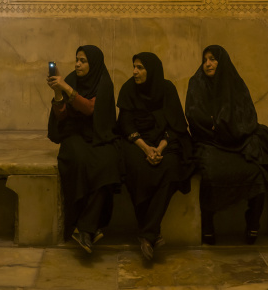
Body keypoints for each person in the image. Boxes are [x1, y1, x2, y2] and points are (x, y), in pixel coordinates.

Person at [185, 45, 268, 245]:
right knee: (211, 172)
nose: (208, 64)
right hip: (209, 142)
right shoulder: (196, 83)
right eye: (205, 59)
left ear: (222, 61)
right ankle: (208, 224)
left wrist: (223, 125)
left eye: (213, 59)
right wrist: (217, 126)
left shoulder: (234, 83)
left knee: (257, 169)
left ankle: (252, 222)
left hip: (237, 141)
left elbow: (247, 115)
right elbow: (195, 117)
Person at [117, 52, 194, 261]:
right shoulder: (128, 89)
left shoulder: (166, 88)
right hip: (137, 142)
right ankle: (152, 233)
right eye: (134, 66)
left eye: (140, 67)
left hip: (164, 142)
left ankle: (147, 234)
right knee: (137, 168)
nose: (135, 71)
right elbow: (125, 124)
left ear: (151, 70)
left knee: (170, 168)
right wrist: (145, 148)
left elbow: (176, 124)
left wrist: (159, 148)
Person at [47, 45, 121, 254]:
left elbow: (90, 108)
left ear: (94, 63)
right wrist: (58, 93)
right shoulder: (70, 79)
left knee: (108, 165)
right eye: (77, 60)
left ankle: (85, 228)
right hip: (75, 133)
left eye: (83, 61)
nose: (77, 64)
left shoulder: (104, 82)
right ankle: (85, 228)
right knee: (77, 161)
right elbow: (61, 116)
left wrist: (66, 89)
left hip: (100, 134)